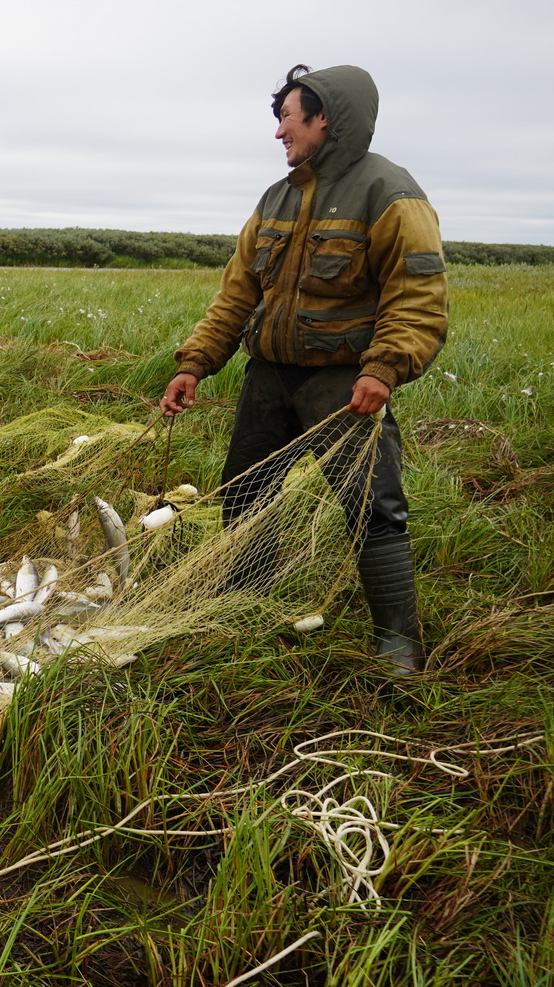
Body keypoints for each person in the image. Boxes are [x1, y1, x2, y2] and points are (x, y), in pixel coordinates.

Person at [159, 64, 448, 674]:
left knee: (371, 505)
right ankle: (245, 606)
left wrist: (384, 369)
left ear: (326, 119)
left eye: (289, 119)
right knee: (245, 495)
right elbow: (237, 293)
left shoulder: (391, 194)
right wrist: (195, 363)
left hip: (344, 383)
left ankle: (398, 640)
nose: (279, 134)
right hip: (270, 376)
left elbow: (417, 295)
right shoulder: (277, 196)